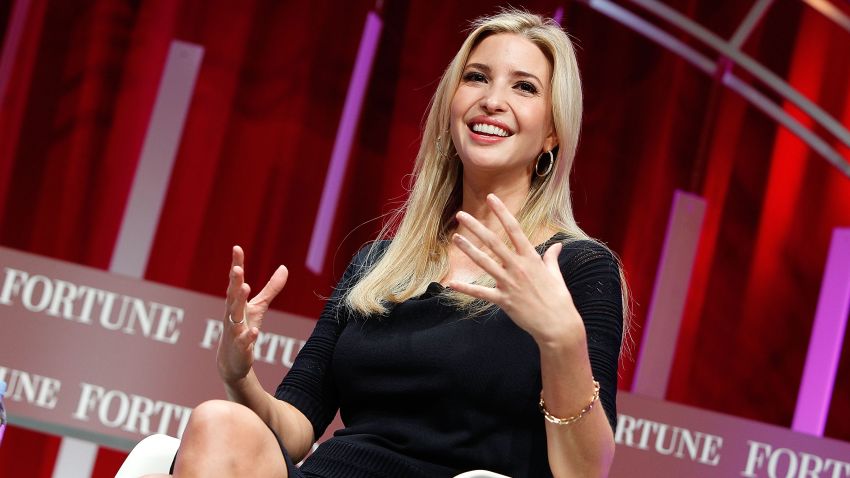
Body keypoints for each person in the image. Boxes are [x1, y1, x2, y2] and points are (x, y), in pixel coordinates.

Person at [154, 8, 627, 478]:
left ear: (552, 132)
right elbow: (297, 428)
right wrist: (239, 377)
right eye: (477, 78)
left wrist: (561, 340)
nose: (492, 100)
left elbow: (583, 471)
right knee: (218, 421)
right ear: (450, 105)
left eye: (524, 86)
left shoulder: (577, 269)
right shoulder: (380, 263)